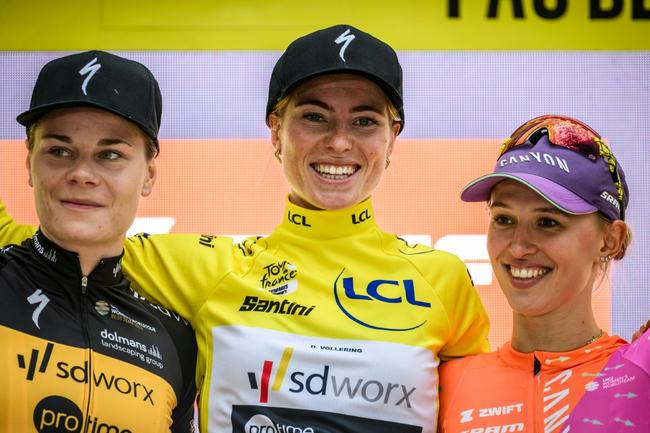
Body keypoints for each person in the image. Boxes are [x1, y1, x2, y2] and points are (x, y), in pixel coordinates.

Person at [0, 26, 490, 432]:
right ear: (276, 131)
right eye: (314, 117)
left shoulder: (443, 279)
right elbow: (62, 238)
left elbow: (484, 413)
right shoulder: (202, 267)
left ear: (392, 136)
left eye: (364, 121)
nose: (339, 142)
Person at [0, 51, 197, 432]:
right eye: (59, 151)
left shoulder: (175, 338)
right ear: (29, 164)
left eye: (110, 154)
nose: (83, 174)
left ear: (149, 174)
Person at [438, 115, 650, 432]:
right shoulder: (445, 384)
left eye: (548, 222)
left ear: (610, 240)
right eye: (504, 219)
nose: (519, 247)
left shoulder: (639, 374)